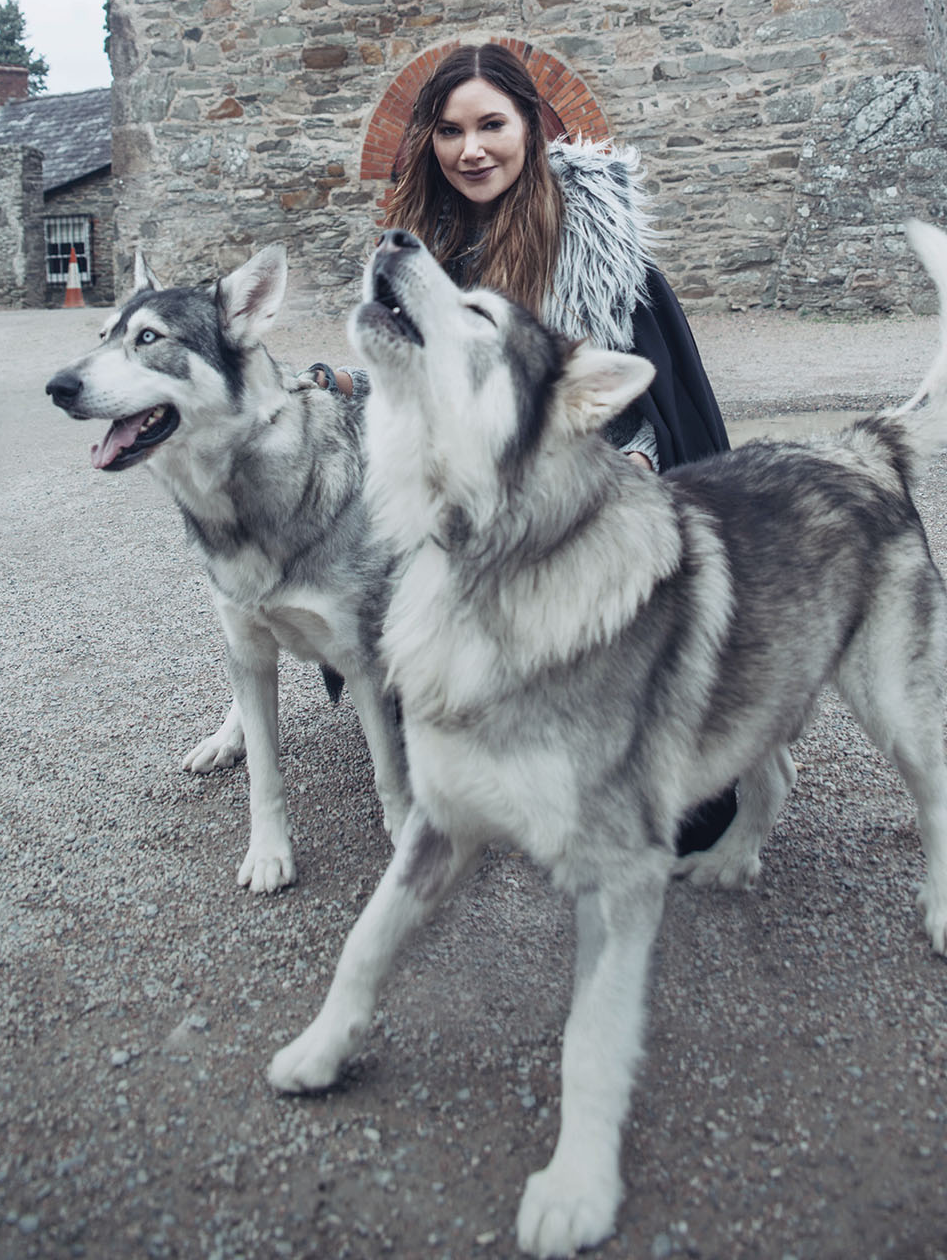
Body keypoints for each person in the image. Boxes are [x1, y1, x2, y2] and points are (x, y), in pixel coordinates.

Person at [315, 42, 738, 852]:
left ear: (531, 128)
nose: (470, 150)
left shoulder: (595, 248)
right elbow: (430, 386)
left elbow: (639, 392)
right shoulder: (426, 245)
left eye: (491, 125)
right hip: (470, 494)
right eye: (449, 131)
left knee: (673, 806)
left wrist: (631, 464)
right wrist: (348, 381)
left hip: (578, 484)